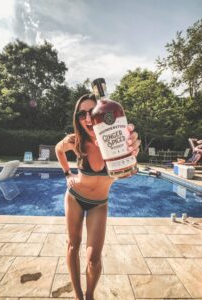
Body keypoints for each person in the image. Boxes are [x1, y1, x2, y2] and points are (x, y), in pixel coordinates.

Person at [55, 93, 140, 300]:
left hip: (98, 205)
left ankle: (90, 294)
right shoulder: (76, 141)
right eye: (81, 114)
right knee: (72, 246)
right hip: (75, 198)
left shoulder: (117, 142)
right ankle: (77, 296)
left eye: (91, 112)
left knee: (93, 259)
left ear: (101, 114)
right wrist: (68, 174)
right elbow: (58, 149)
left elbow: (129, 166)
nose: (86, 118)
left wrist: (132, 148)